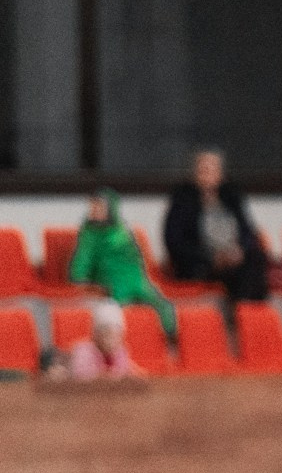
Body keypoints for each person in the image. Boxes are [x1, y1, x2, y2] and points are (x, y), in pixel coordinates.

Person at [162, 149, 270, 308]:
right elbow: (174, 242)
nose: (207, 174)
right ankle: (242, 318)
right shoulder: (182, 200)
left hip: (233, 258)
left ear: (221, 174)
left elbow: (248, 232)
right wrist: (211, 258)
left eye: (212, 170)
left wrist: (239, 250)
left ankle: (250, 316)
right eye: (203, 169)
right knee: (242, 274)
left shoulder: (231, 196)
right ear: (194, 173)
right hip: (199, 263)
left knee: (255, 259)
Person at [69, 188, 175, 339]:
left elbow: (135, 257)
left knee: (159, 302)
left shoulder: (122, 230)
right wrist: (78, 277)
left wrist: (140, 276)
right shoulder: (89, 233)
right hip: (110, 278)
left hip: (136, 277)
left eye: (99, 207)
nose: (95, 210)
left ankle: (171, 334)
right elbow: (82, 258)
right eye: (93, 206)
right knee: (118, 311)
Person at [60, 301, 143, 380]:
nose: (111, 340)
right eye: (106, 334)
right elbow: (83, 379)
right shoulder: (82, 351)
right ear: (96, 335)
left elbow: (132, 373)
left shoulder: (121, 352)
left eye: (116, 336)